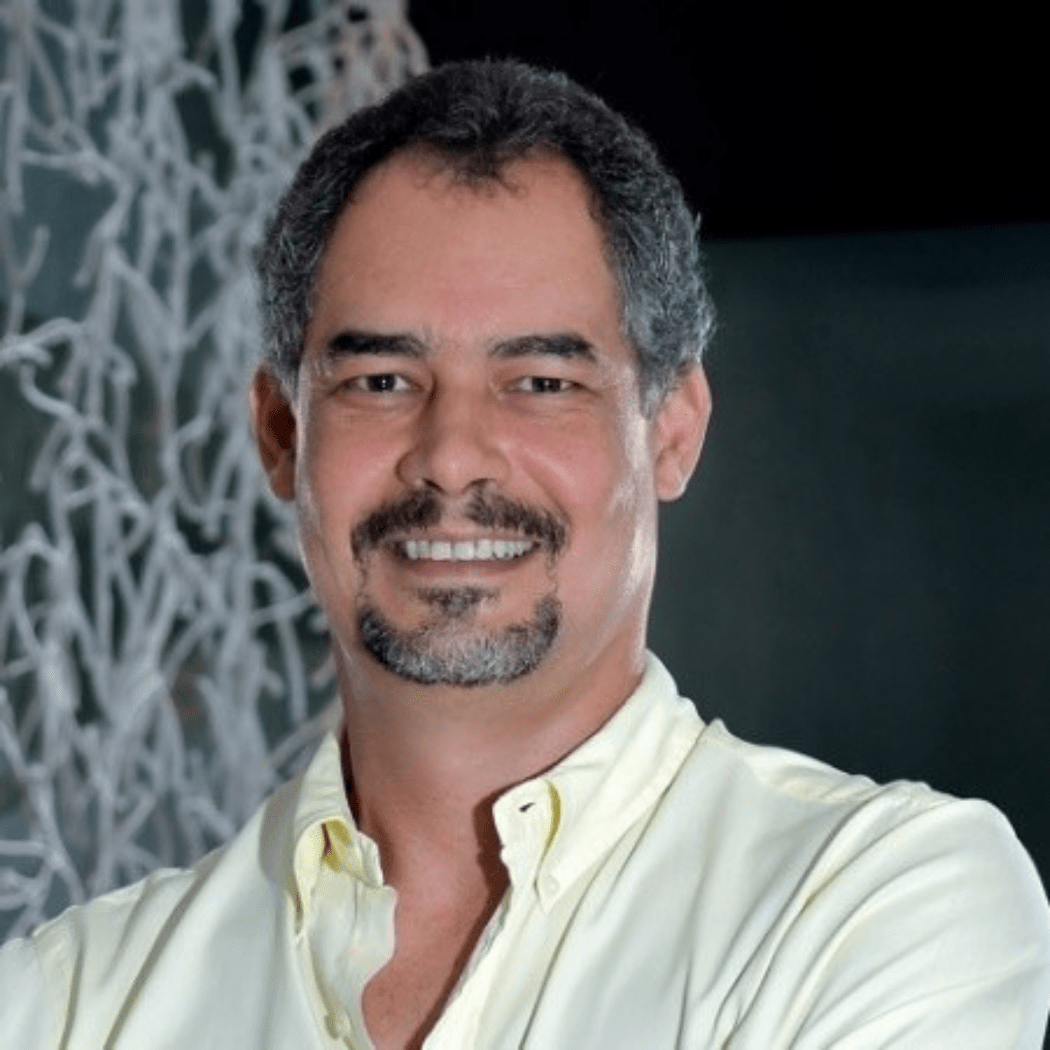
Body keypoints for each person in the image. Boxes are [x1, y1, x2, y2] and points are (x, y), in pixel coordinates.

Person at [1, 58, 1048, 1050]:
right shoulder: (68, 997)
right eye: (380, 381)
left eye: (542, 382)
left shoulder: (875, 904)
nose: (453, 456)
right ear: (281, 432)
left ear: (672, 431)